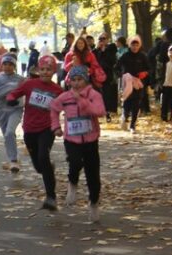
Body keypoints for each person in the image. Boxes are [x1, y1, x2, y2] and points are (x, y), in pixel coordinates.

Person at [7, 54, 63, 210]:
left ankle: (51, 197)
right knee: (40, 167)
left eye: (49, 70)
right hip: (30, 130)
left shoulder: (57, 90)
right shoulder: (29, 84)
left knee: (43, 156)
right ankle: (48, 168)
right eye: (43, 69)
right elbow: (14, 93)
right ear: (38, 70)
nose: (45, 72)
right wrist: (11, 99)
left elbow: (68, 105)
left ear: (53, 71)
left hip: (47, 128)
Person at [50, 65, 105, 222]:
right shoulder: (65, 97)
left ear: (86, 80)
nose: (76, 83)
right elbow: (54, 108)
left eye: (79, 79)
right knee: (75, 163)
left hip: (91, 140)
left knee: (92, 174)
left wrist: (81, 101)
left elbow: (99, 111)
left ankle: (94, 203)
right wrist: (55, 127)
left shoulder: (93, 95)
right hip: (72, 139)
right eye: (73, 80)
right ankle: (72, 183)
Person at [0, 53, 25, 173]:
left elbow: (24, 92)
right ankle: (12, 156)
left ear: (14, 66)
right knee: (8, 136)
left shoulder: (20, 79)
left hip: (16, 110)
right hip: (1, 112)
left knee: (10, 132)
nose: (7, 66)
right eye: (5, 64)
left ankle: (13, 160)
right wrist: (11, 87)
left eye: (10, 64)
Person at [115, 35, 149, 133]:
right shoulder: (125, 56)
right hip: (127, 83)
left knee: (136, 104)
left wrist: (145, 73)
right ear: (130, 45)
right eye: (133, 45)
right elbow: (117, 67)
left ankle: (133, 125)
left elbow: (149, 68)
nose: (135, 47)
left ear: (139, 46)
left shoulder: (143, 56)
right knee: (127, 104)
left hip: (138, 83)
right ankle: (125, 117)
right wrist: (123, 75)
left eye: (136, 45)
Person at [93, 33, 118, 120]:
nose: (102, 41)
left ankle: (107, 112)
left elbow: (112, 61)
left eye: (104, 39)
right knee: (97, 93)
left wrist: (104, 51)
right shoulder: (95, 50)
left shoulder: (111, 48)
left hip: (107, 75)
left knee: (107, 94)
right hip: (96, 75)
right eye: (100, 39)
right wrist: (98, 49)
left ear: (108, 39)